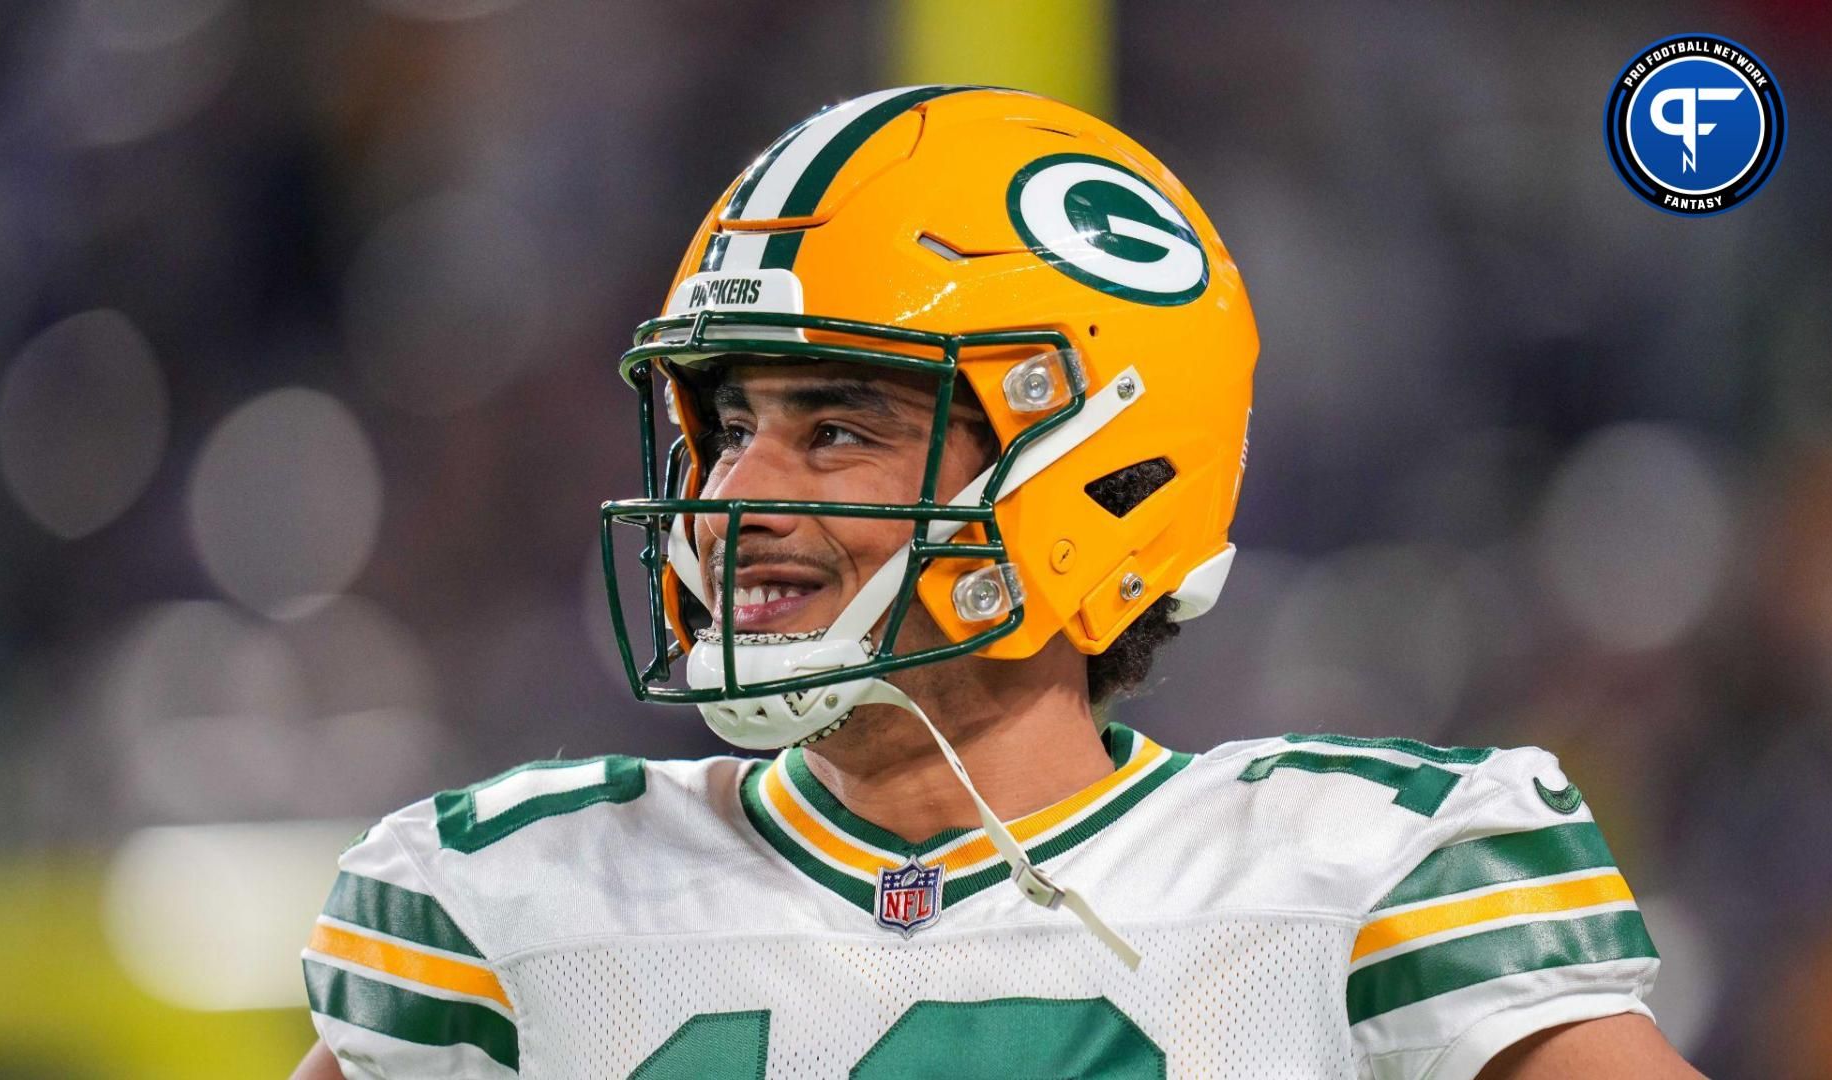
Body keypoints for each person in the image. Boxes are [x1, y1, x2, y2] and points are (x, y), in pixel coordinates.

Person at [291, 86, 1700, 1079]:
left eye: (834, 430)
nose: (730, 501)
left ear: (1094, 474)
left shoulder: (1364, 882)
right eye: (727, 429)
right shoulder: (514, 895)